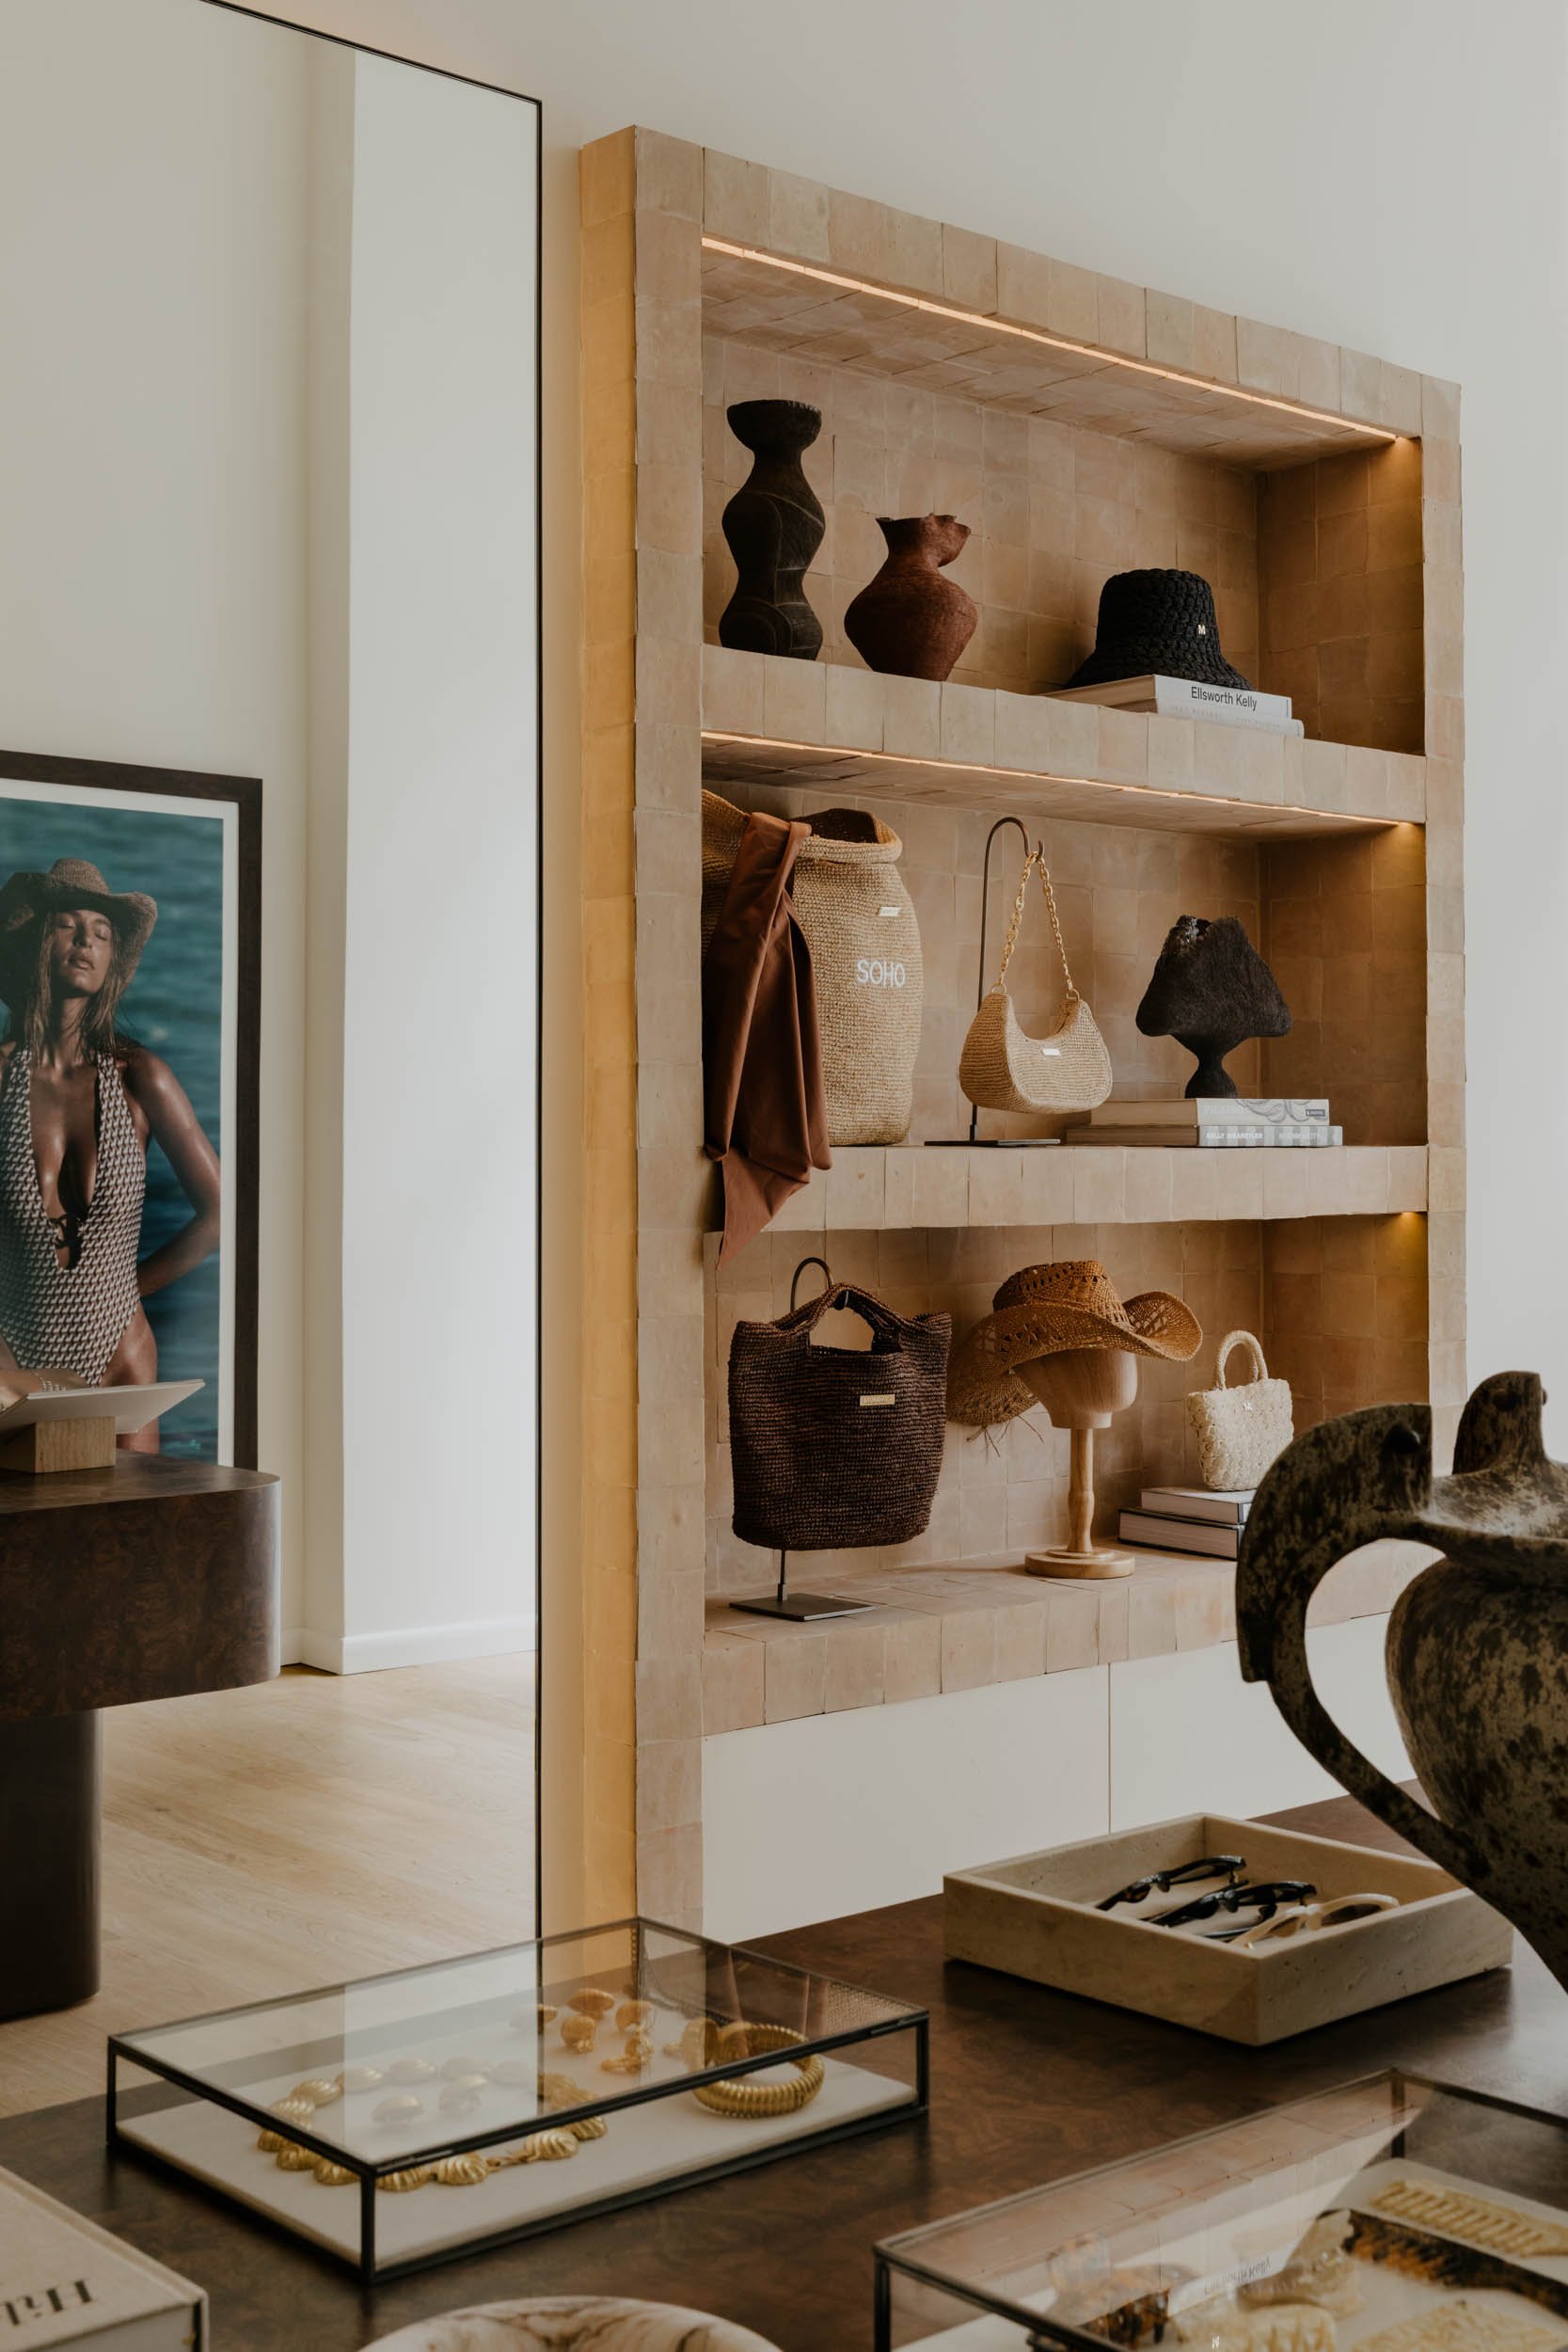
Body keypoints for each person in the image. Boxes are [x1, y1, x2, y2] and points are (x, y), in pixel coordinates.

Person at [0, 858, 220, 1453]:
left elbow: (223, 1213)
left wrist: (124, 1290)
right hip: (12, 1350)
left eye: (101, 933)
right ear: (36, 943)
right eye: (69, 926)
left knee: (123, 1538)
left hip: (119, 1348)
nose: (86, 942)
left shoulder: (140, 1076)